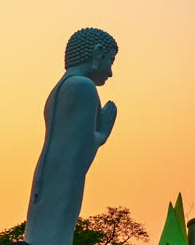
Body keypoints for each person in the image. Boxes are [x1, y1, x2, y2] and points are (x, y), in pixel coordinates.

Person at [24, 28, 119, 245]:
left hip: (48, 173)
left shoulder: (62, 88)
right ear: (98, 53)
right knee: (56, 235)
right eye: (110, 61)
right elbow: (80, 147)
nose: (111, 72)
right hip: (64, 177)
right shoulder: (83, 87)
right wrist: (102, 134)